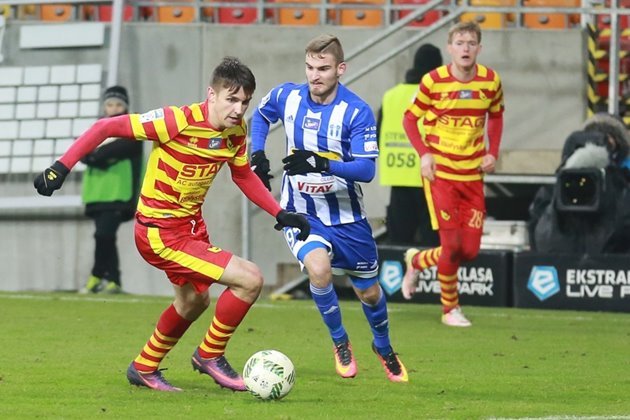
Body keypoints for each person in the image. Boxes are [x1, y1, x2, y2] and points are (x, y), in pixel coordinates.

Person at [34, 57, 310, 392]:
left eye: (245, 102)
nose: (238, 109)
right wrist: (62, 167)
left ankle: (144, 367)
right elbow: (106, 128)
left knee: (194, 302)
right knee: (250, 279)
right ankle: (210, 354)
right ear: (212, 94)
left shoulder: (236, 131)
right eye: (231, 99)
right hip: (159, 233)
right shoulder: (174, 121)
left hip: (191, 228)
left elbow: (242, 174)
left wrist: (279, 213)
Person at [249, 34, 408, 383]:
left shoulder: (357, 111)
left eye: (323, 68)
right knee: (318, 269)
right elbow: (260, 115)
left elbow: (366, 169)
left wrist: (322, 164)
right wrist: (257, 152)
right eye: (309, 67)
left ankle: (382, 345)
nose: (314, 75)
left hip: (348, 218)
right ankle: (340, 343)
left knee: (369, 292)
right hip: (301, 212)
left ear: (340, 69)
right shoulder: (288, 96)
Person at [401, 21, 505, 327]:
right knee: (451, 246)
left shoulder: (490, 81)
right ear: (450, 48)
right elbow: (410, 120)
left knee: (469, 250)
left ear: (479, 49)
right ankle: (450, 309)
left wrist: (492, 153)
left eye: (471, 43)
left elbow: (496, 116)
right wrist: (425, 155)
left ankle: (417, 261)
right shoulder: (433, 81)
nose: (465, 48)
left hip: (472, 175)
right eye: (460, 43)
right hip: (441, 175)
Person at [377, 43, 442, 246]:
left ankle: (399, 279)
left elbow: (378, 134)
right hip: (430, 180)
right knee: (431, 245)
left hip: (399, 179)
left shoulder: (391, 96)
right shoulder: (438, 96)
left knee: (398, 245)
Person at [80, 85, 143, 294]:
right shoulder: (97, 128)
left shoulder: (133, 129)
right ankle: (113, 280)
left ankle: (96, 276)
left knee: (103, 235)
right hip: (97, 194)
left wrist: (96, 154)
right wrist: (96, 154)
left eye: (118, 104)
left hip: (119, 194)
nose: (113, 108)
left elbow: (101, 152)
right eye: (109, 104)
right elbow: (82, 150)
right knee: (105, 236)